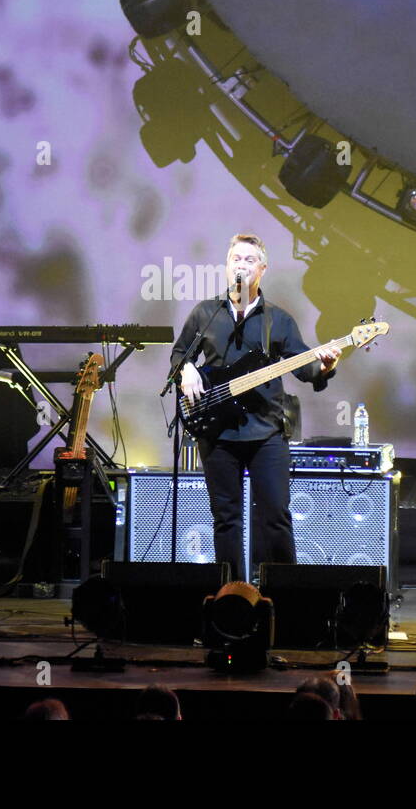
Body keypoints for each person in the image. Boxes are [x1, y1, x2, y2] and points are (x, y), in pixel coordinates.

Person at [170, 234, 340, 580]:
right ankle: (232, 594)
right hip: (217, 429)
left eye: (250, 260)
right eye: (236, 258)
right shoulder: (206, 313)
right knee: (226, 518)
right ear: (226, 265)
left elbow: (307, 369)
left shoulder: (277, 320)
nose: (242, 265)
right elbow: (179, 353)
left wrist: (327, 365)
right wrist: (185, 368)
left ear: (262, 269)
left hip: (265, 430)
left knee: (275, 515)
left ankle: (284, 593)